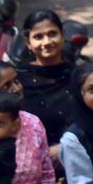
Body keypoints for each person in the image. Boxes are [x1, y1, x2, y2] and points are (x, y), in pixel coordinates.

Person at [16, 10, 77, 146]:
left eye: (52, 34)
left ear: (63, 35)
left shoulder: (78, 76)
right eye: (38, 37)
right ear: (28, 43)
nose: (47, 42)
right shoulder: (18, 79)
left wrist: (63, 148)